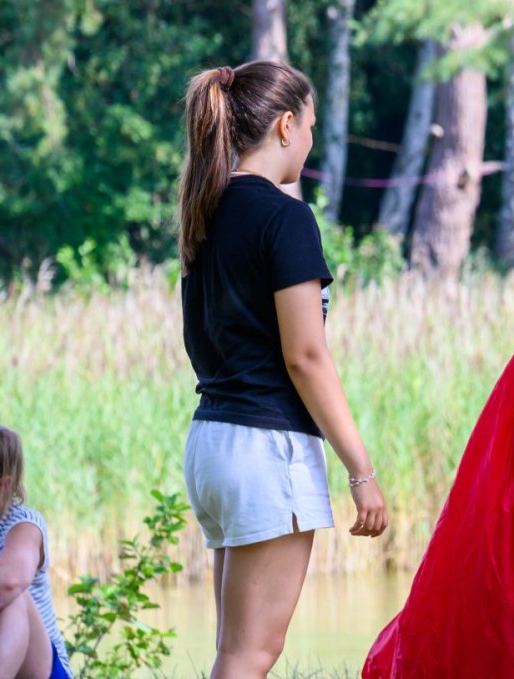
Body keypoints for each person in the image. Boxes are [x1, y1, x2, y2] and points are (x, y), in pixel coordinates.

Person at [174, 61, 388, 679]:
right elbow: (306, 355)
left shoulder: (203, 215)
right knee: (250, 656)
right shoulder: (285, 218)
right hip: (266, 448)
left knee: (233, 652)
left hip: (213, 442)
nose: (312, 141)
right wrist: (360, 471)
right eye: (312, 127)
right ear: (287, 125)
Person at [0, 424, 70, 679]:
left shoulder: (24, 525)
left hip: (36, 671)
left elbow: (10, 581)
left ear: (1, 485)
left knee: (10, 597)